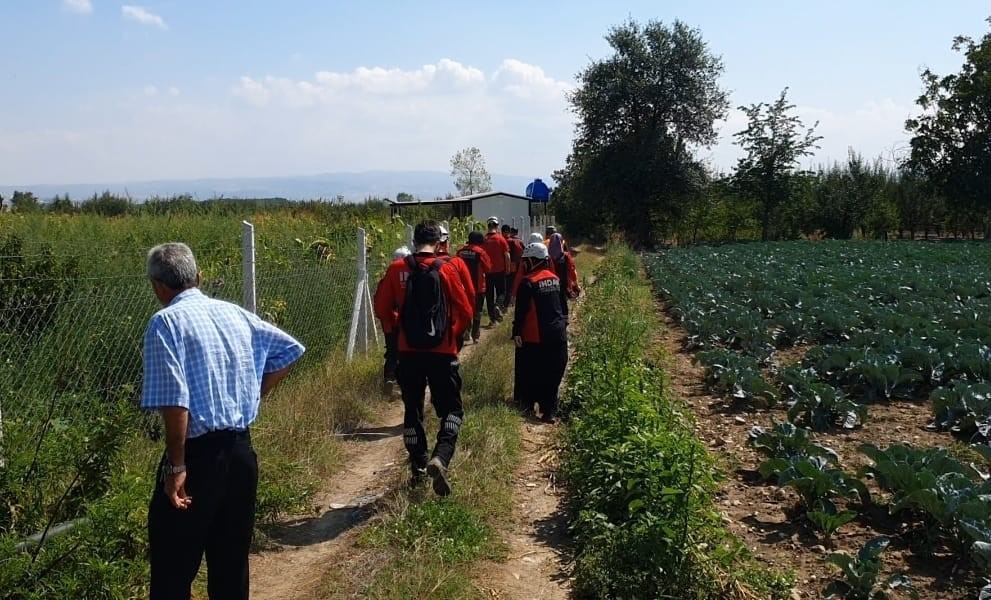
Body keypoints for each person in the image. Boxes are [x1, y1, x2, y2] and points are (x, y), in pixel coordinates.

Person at [141, 242, 305, 600]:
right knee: (231, 564)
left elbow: (175, 402)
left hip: (197, 457)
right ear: (198, 277)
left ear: (158, 286)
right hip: (240, 453)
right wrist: (252, 392)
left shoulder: (165, 323)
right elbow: (289, 350)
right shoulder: (235, 314)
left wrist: (176, 465)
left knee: (172, 566)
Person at [373, 220, 473, 496]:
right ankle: (441, 456)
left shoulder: (397, 269)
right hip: (443, 353)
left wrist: (399, 327)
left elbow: (381, 308)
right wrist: (450, 335)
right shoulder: (448, 269)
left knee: (412, 412)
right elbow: (466, 311)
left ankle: (418, 468)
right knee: (452, 411)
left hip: (408, 353)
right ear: (440, 243)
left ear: (414, 240)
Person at [512, 242, 568, 424]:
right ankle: (549, 410)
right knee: (553, 372)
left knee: (530, 371)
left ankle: (527, 405)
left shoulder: (528, 282)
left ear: (533, 260)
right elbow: (562, 305)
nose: (524, 264)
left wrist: (517, 332)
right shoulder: (555, 279)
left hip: (535, 336)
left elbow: (520, 312)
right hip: (557, 334)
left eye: (526, 261)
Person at [374, 245, 411, 395]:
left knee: (391, 350)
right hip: (405, 321)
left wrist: (387, 318)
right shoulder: (414, 275)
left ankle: (389, 377)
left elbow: (381, 302)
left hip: (389, 322)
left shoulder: (386, 278)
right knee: (405, 352)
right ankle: (404, 382)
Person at [437, 225, 476, 350]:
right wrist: (467, 318)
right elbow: (470, 292)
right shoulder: (457, 262)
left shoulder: (418, 265)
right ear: (446, 243)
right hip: (453, 321)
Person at [456, 231, 492, 344]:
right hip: (478, 287)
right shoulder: (481, 252)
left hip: (462, 287)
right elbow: (488, 268)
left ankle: (466, 331)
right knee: (477, 311)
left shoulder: (460, 251)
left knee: (464, 309)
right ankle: (475, 335)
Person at [482, 216, 511, 326]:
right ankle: (498, 306)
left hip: (487, 272)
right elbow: (507, 255)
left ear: (488, 226)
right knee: (501, 292)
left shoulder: (484, 240)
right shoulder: (501, 239)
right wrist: (508, 268)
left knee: (489, 296)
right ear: (497, 226)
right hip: (500, 271)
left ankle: (492, 320)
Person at [548, 233, 581, 319]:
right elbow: (572, 269)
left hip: (551, 283)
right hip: (563, 283)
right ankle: (565, 319)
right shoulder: (565, 256)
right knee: (563, 301)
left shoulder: (547, 257)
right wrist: (576, 284)